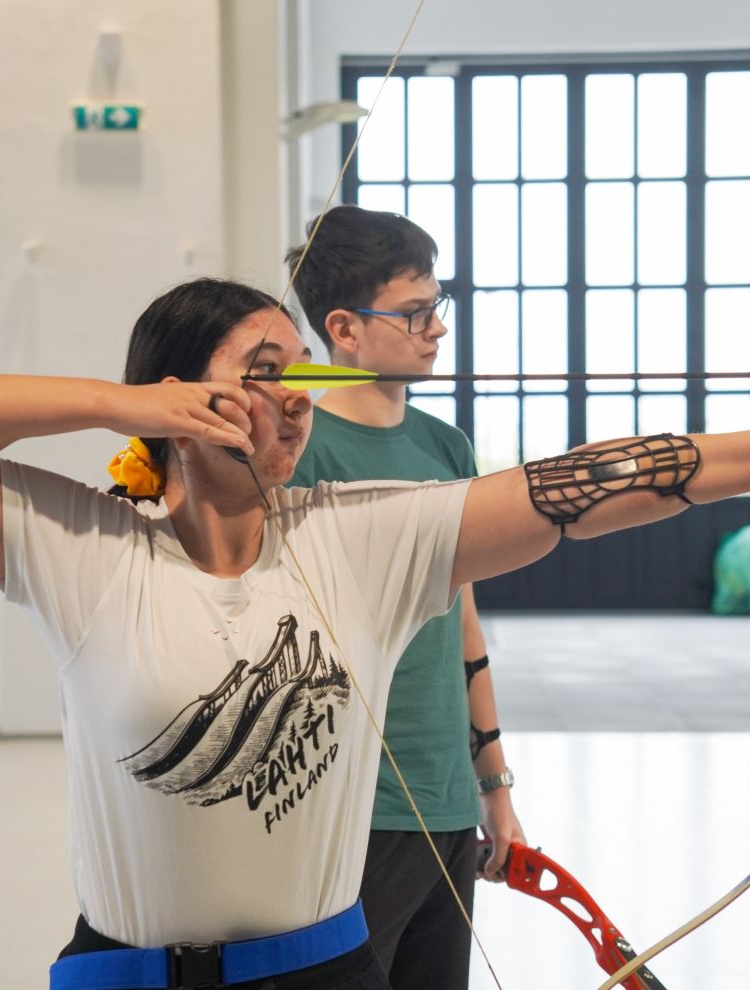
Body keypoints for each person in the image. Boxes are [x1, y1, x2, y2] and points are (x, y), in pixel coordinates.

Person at [0, 276, 750, 990]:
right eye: (269, 368)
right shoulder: (84, 545)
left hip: (317, 973)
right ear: (181, 393)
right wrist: (125, 404)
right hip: (119, 970)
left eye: (307, 365)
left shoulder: (362, 542)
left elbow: (580, 487)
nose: (303, 392)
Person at [284, 205, 524, 990]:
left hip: (444, 798)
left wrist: (492, 786)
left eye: (437, 307)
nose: (436, 329)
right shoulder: (302, 449)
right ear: (344, 329)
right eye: (415, 312)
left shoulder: (443, 445)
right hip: (348, 804)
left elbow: (460, 618)